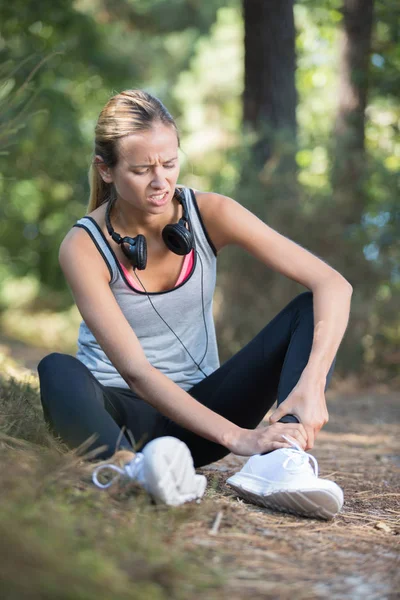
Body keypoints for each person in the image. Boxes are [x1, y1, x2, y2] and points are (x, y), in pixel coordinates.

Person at [38, 89, 353, 517]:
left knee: (308, 308)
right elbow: (135, 371)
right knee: (56, 368)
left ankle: (280, 460)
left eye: (169, 163)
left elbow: (333, 285)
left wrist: (311, 385)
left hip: (202, 417)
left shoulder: (210, 213)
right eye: (141, 169)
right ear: (106, 170)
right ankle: (129, 472)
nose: (160, 181)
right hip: (123, 420)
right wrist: (239, 438)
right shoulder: (83, 246)